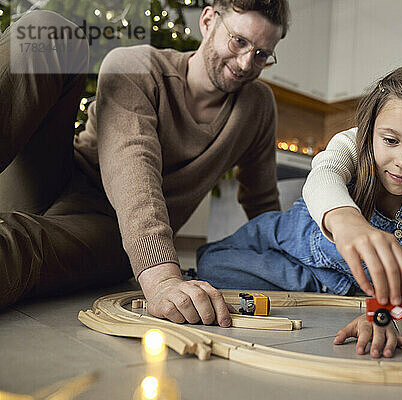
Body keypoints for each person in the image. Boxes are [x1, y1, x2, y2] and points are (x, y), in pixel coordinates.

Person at [0, 0, 290, 328]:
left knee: (15, 248)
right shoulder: (135, 65)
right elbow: (133, 164)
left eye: (262, 54)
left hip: (108, 230)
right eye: (239, 41)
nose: (245, 63)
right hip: (51, 180)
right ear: (208, 21)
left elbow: (262, 201)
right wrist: (162, 277)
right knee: (50, 31)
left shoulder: (258, 106)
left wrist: (289, 265)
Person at [196, 63, 402, 357]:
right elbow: (324, 174)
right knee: (211, 262)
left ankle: (313, 288)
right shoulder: (352, 145)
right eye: (391, 141)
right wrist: (346, 220)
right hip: (281, 233)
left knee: (217, 273)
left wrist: (388, 320)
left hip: (317, 281)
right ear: (370, 131)